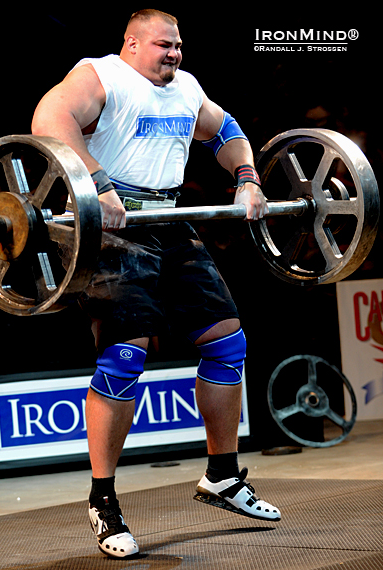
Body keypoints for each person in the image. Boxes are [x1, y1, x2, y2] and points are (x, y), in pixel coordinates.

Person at [32, 9, 281, 559]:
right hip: (111, 227)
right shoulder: (101, 75)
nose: (174, 53)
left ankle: (222, 476)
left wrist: (246, 176)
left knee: (226, 341)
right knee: (126, 353)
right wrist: (96, 183)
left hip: (168, 221)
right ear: (132, 44)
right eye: (164, 45)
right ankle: (103, 500)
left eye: (179, 45)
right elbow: (49, 120)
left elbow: (228, 132)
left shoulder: (187, 88)